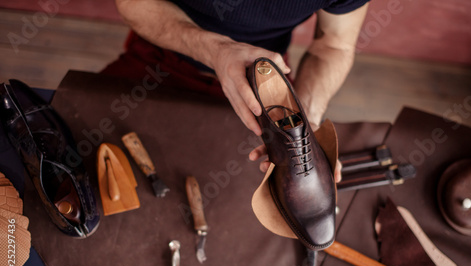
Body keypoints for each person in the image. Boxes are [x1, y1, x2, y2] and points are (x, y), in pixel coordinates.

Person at [104, 0, 370, 180]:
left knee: (247, 191)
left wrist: (303, 121)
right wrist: (216, 51)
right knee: (95, 148)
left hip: (264, 79)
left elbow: (335, 45)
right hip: (163, 53)